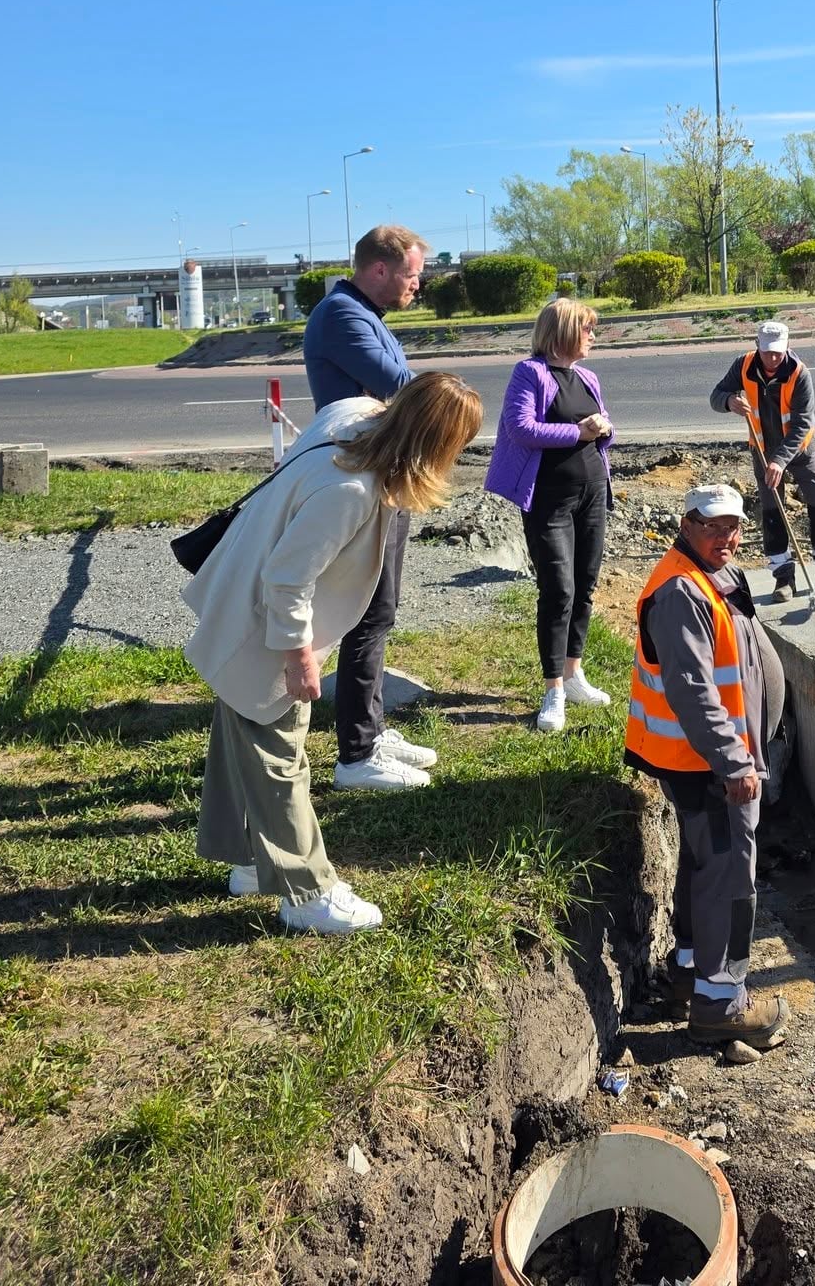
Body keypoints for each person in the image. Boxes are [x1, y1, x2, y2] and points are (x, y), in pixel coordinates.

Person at [185, 373, 483, 935]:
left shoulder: (349, 422)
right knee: (280, 756)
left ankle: (250, 858)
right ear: (436, 445)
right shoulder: (352, 491)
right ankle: (307, 894)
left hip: (239, 601)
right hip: (264, 625)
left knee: (239, 738)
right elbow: (288, 580)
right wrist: (300, 659)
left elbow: (356, 400)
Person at [625, 483, 790, 1053]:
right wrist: (735, 760)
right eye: (715, 526)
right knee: (727, 877)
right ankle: (720, 1005)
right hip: (708, 763)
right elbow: (693, 690)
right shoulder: (678, 592)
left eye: (735, 526)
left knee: (705, 865)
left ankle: (691, 972)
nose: (729, 537)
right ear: (686, 523)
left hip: (714, 759)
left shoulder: (715, 574)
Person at [301, 223, 429, 792]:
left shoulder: (362, 314)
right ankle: (356, 755)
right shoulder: (344, 316)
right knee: (369, 610)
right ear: (379, 268)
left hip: (381, 470)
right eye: (411, 274)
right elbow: (399, 383)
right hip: (363, 476)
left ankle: (369, 728)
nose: (416, 286)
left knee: (380, 607)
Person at [485, 297, 615, 733]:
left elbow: (601, 425)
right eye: (587, 328)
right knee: (558, 588)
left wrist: (604, 429)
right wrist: (578, 431)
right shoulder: (530, 372)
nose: (593, 336)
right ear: (562, 332)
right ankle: (553, 688)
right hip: (549, 500)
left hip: (592, 492)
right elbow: (520, 429)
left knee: (585, 585)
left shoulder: (588, 376)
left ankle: (574, 673)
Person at [709, 320, 815, 598]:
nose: (773, 358)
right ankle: (783, 579)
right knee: (772, 510)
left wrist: (780, 460)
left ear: (788, 347)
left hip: (799, 450)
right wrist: (728, 402)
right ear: (757, 347)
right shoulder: (743, 365)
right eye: (767, 352)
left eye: (778, 352)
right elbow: (715, 396)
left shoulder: (799, 374)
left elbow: (802, 425)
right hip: (763, 451)